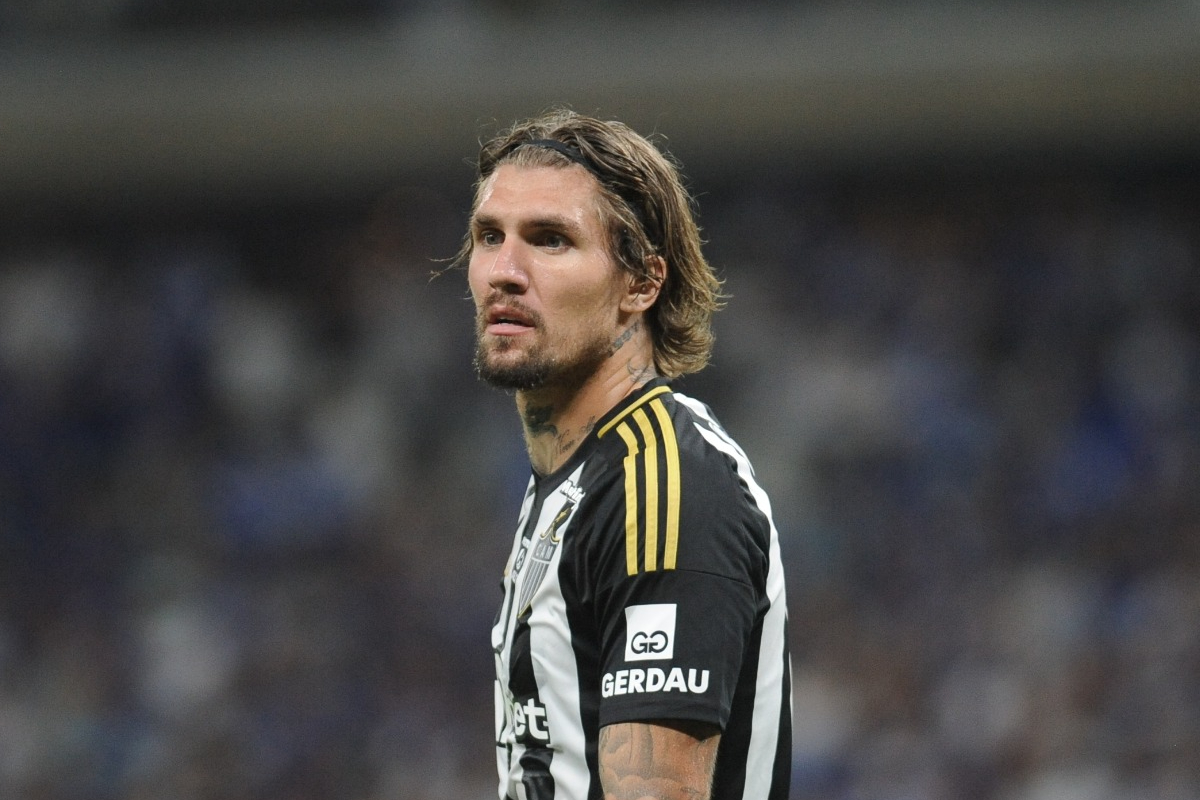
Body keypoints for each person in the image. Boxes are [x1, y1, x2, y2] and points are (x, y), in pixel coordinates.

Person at [459, 108, 791, 800]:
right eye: (490, 236)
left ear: (640, 285)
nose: (504, 271)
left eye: (550, 240)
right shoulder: (574, 480)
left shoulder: (661, 482)